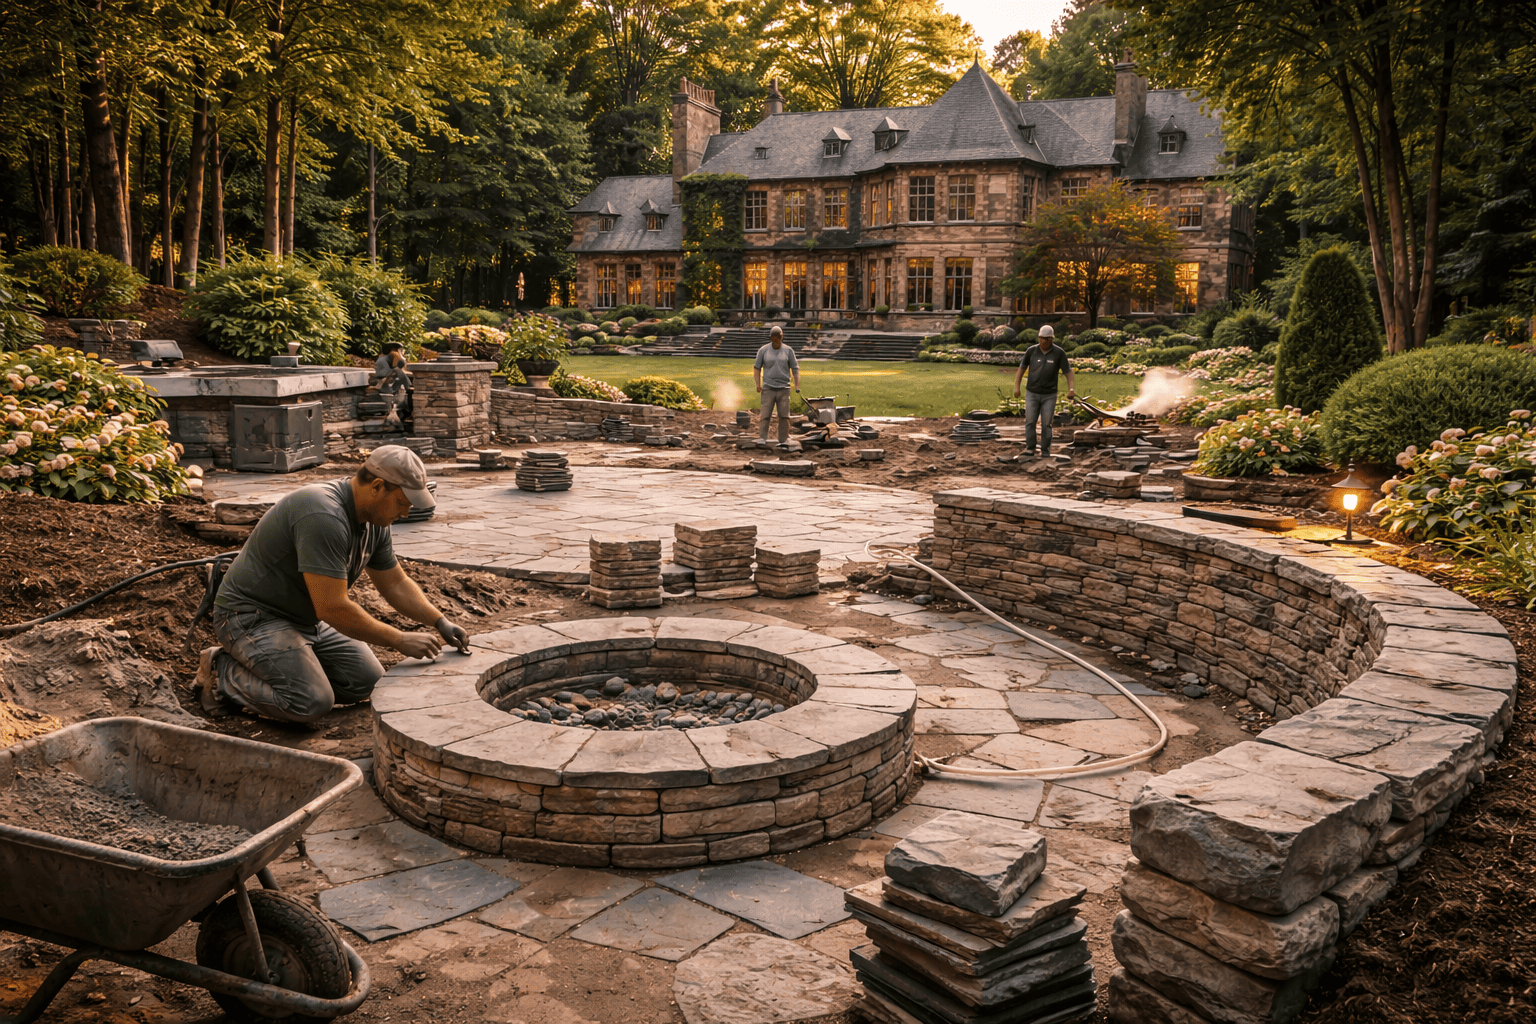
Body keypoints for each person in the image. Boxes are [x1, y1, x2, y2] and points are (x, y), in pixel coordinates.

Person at [194, 445, 470, 724]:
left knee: (367, 682)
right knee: (310, 702)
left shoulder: (375, 523)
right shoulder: (323, 515)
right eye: (403, 502)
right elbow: (332, 607)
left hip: (304, 618)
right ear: (377, 487)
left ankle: (293, 671)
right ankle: (221, 671)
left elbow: (395, 583)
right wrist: (397, 639)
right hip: (251, 617)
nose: (407, 513)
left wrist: (439, 621)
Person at [1012, 325, 1076, 457]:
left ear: (1052, 339)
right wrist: (1017, 387)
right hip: (1032, 392)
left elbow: (1068, 372)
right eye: (1042, 338)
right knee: (1030, 421)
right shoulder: (1031, 351)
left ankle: (1045, 451)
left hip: (1049, 394)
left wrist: (1071, 388)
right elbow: (1021, 369)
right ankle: (1030, 448)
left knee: (1047, 424)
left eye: (1047, 339)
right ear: (1039, 338)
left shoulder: (1059, 353)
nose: (1044, 341)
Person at [753, 325, 801, 444]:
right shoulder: (763, 350)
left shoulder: (788, 350)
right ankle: (762, 438)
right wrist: (758, 384)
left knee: (784, 416)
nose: (775, 340)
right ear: (770, 338)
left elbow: (795, 368)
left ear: (781, 337)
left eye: (778, 338)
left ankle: (783, 439)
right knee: (765, 415)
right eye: (773, 338)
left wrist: (796, 385)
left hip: (784, 388)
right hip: (768, 388)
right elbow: (757, 368)